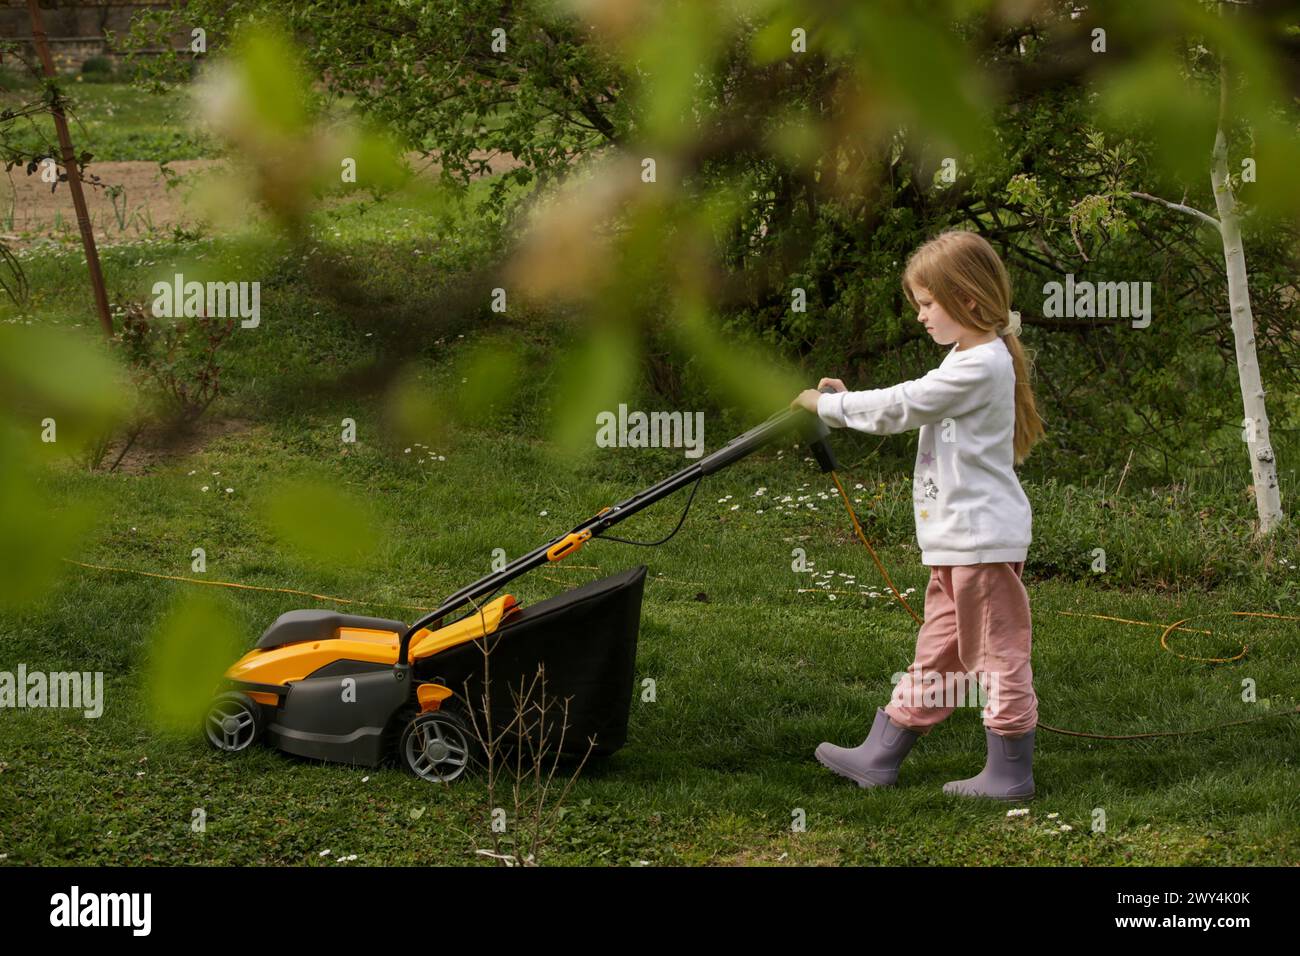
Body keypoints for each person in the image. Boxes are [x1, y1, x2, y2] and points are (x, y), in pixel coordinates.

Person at [789, 229, 1047, 800]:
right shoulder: (968, 354)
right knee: (939, 653)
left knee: (998, 656)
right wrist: (844, 402)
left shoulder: (980, 364)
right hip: (957, 544)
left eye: (928, 304)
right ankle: (883, 752)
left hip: (981, 544)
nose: (922, 316)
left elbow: (902, 406)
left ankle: (1010, 773)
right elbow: (911, 396)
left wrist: (826, 406)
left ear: (970, 302)